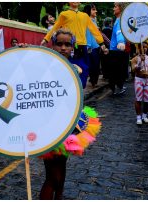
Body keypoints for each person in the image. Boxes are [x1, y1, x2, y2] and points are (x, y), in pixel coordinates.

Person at [39, 28, 101, 200]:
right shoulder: (43, 65)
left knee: (61, 167)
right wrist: (22, 50)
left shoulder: (79, 66)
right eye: (59, 44)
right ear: (53, 45)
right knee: (52, 175)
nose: (63, 48)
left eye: (67, 44)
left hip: (68, 125)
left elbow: (77, 85)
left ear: (72, 46)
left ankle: (59, 195)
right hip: (47, 126)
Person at [40, 2, 108, 89]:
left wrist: (101, 43)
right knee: (68, 68)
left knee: (84, 68)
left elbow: (94, 30)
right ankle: (68, 89)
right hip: (69, 46)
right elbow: (55, 27)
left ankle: (79, 90)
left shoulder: (85, 16)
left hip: (82, 46)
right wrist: (46, 39)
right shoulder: (64, 14)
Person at [131, 42, 148, 125]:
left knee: (147, 99)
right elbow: (133, 70)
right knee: (138, 99)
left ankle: (144, 116)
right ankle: (138, 117)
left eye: (146, 47)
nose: (144, 48)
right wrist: (139, 63)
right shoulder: (135, 59)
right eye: (143, 47)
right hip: (139, 80)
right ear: (139, 48)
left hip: (147, 81)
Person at [109, 2, 129, 95]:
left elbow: (119, 32)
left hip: (117, 50)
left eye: (115, 6)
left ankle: (116, 88)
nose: (113, 9)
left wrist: (121, 41)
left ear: (121, 8)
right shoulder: (119, 19)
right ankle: (117, 87)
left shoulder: (120, 20)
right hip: (117, 50)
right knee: (118, 70)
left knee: (116, 71)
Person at [84, 4, 101, 87]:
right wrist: (89, 46)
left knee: (96, 65)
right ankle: (93, 82)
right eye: (93, 9)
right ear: (89, 11)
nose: (96, 11)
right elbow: (88, 34)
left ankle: (93, 81)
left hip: (97, 46)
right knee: (93, 65)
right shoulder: (88, 20)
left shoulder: (93, 20)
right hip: (91, 47)